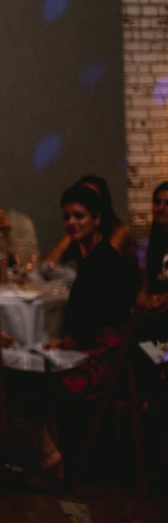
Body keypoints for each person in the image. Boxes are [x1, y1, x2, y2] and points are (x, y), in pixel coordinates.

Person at [37, 185, 142, 476]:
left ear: (97, 219)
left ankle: (56, 462)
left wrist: (62, 342)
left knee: (32, 376)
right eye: (67, 217)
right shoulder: (93, 257)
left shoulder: (102, 263)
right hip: (104, 352)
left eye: (79, 216)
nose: (71, 222)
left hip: (103, 362)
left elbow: (90, 327)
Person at [44, 174, 137, 265]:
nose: (71, 220)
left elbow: (103, 263)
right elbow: (50, 262)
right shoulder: (75, 231)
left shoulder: (120, 231)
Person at [136, 180, 168, 338]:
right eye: (157, 202)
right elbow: (145, 283)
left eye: (167, 203)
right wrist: (145, 301)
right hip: (156, 314)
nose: (161, 208)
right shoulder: (149, 244)